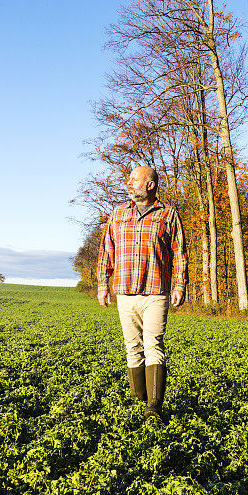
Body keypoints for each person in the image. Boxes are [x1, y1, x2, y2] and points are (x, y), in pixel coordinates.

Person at [96, 166, 188, 421]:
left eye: (135, 180)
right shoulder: (117, 214)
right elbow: (106, 251)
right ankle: (138, 402)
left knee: (153, 345)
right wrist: (103, 284)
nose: (129, 183)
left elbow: (179, 253)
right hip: (125, 292)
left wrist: (180, 285)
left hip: (156, 292)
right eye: (129, 180)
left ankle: (154, 407)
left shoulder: (168, 214)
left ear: (150, 185)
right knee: (133, 348)